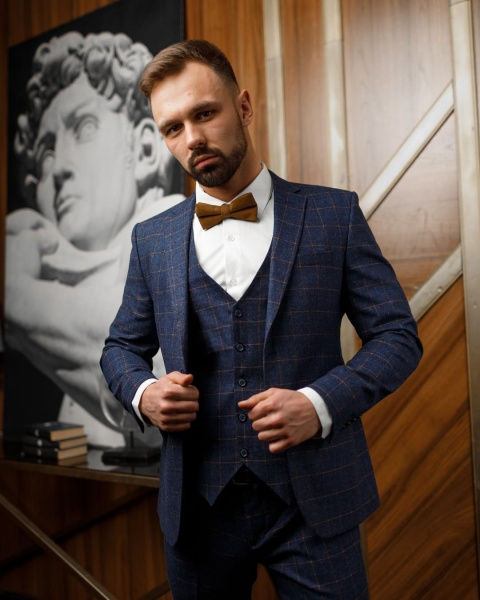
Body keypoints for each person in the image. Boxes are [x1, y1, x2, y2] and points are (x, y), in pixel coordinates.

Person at [101, 39, 422, 599]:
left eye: (205, 113)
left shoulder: (333, 214)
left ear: (243, 107)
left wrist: (319, 404)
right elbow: (119, 350)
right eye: (173, 128)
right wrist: (144, 393)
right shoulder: (151, 240)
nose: (192, 138)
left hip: (315, 504)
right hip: (197, 508)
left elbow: (397, 336)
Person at [5, 32, 184, 446]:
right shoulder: (47, 258)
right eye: (47, 153)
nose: (58, 169)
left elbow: (158, 373)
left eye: (84, 127)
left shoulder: (165, 225)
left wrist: (16, 296)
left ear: (144, 150)